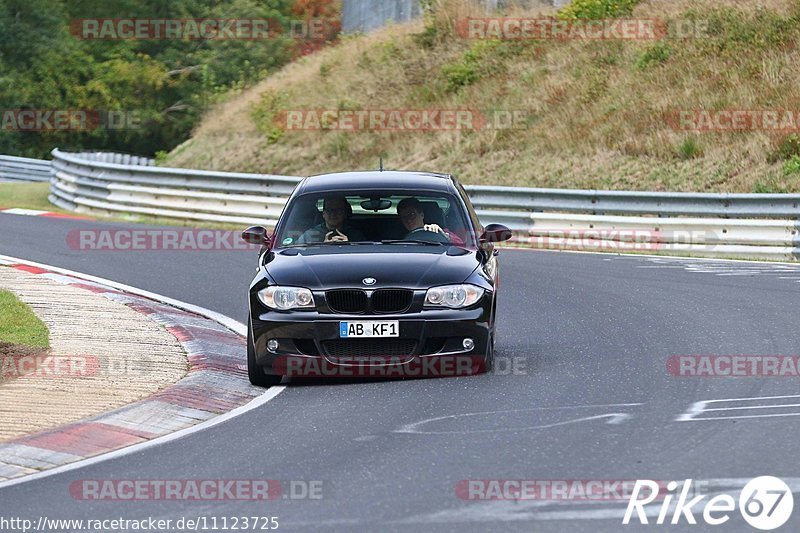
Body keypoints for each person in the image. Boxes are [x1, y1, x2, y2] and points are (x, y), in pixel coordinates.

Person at [297, 196, 366, 244]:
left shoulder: (355, 235)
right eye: (329, 210)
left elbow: (364, 255)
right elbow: (298, 251)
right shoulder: (310, 235)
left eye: (338, 210)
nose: (333, 214)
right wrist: (323, 248)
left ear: (345, 214)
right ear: (323, 214)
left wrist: (348, 246)